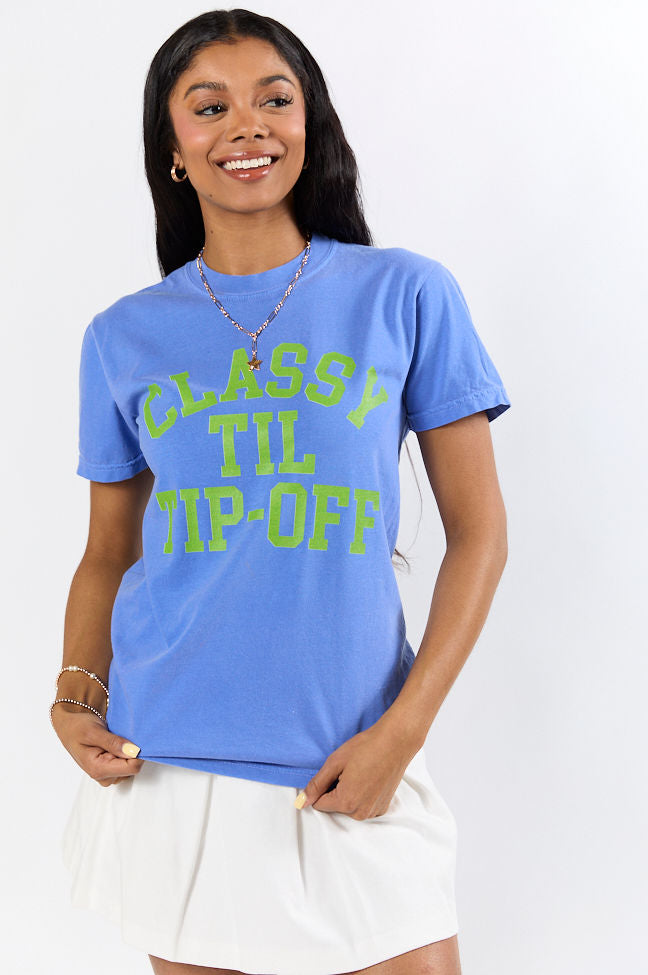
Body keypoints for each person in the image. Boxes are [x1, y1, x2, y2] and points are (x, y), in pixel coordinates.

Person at [51, 9, 511, 975]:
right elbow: (108, 551)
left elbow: (480, 536)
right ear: (173, 149)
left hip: (351, 757)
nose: (247, 126)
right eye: (209, 107)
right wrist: (74, 695)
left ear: (311, 124)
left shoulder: (405, 293)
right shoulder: (123, 335)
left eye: (274, 99)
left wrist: (402, 733)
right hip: (168, 761)